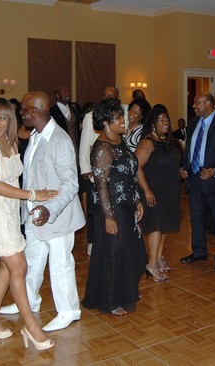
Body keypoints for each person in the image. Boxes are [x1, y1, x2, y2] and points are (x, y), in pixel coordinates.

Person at [0, 97, 56, 348]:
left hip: (7, 212)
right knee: (19, 265)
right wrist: (34, 195)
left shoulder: (9, 141)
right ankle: (31, 326)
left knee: (8, 266)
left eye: (2, 117)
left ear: (10, 120)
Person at [0, 92, 85, 332]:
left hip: (57, 215)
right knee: (32, 261)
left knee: (60, 264)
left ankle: (68, 311)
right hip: (35, 214)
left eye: (24, 109)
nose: (21, 113)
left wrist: (49, 209)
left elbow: (71, 184)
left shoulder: (59, 140)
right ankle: (28, 301)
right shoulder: (37, 135)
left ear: (35, 111)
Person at [82, 98, 146, 316]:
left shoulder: (121, 141)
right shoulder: (101, 149)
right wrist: (109, 216)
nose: (123, 120)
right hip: (111, 206)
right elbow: (101, 185)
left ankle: (126, 291)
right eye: (118, 117)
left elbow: (130, 175)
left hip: (126, 204)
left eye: (122, 116)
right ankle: (110, 301)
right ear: (106, 122)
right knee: (114, 254)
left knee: (134, 253)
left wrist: (137, 200)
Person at [179, 92, 215, 272]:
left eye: (197, 103)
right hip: (195, 178)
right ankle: (199, 251)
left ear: (208, 104)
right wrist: (184, 168)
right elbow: (189, 149)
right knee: (196, 218)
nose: (194, 106)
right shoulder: (193, 123)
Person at [78, 86, 126, 255]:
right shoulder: (91, 116)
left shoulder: (121, 117)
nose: (107, 98)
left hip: (116, 174)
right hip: (96, 171)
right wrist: (86, 170)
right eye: (105, 95)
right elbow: (85, 145)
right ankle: (93, 242)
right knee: (95, 210)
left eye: (111, 96)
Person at [135, 108, 181, 282]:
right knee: (155, 226)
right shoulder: (148, 143)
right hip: (153, 191)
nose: (165, 123)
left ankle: (159, 258)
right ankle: (152, 264)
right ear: (153, 123)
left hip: (168, 190)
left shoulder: (167, 142)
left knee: (164, 225)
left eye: (166, 119)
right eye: (161, 120)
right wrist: (146, 190)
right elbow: (135, 167)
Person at [50, 85, 80, 152]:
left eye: (68, 91)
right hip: (60, 149)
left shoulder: (74, 110)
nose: (67, 94)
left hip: (75, 149)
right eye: (64, 92)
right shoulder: (52, 112)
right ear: (57, 96)